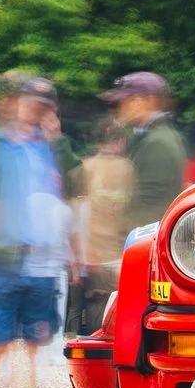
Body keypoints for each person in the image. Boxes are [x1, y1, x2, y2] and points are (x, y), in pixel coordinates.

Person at [0, 78, 73, 388]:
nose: (35, 111)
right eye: (30, 103)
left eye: (43, 106)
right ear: (17, 103)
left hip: (41, 256)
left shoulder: (51, 146)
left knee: (36, 333)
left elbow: (75, 186)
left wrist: (58, 142)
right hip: (2, 251)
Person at [72, 128, 136, 337]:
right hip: (122, 253)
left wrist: (82, 252)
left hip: (92, 253)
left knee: (92, 309)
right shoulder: (130, 169)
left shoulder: (86, 167)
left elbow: (76, 213)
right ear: (121, 141)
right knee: (120, 308)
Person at [107, 72, 186, 239]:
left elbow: (150, 203)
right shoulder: (150, 136)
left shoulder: (158, 142)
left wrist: (117, 233)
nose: (121, 106)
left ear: (149, 101)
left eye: (128, 100)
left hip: (145, 241)